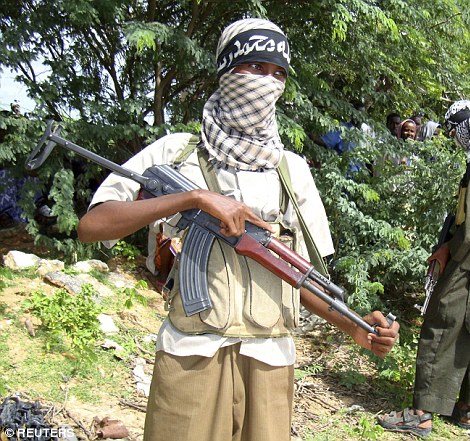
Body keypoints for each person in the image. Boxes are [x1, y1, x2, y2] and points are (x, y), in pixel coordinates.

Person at [77, 18, 399, 441]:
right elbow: (92, 227)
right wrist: (192, 199)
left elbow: (297, 273)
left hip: (269, 359)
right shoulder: (175, 153)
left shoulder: (291, 170)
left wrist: (354, 326)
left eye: (278, 73)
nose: (267, 82)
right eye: (254, 68)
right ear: (228, 71)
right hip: (190, 353)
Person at [377, 100, 470, 437]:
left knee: (442, 321)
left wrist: (451, 248)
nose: (455, 138)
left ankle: (421, 413)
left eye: (454, 131)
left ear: (469, 124)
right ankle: (466, 409)